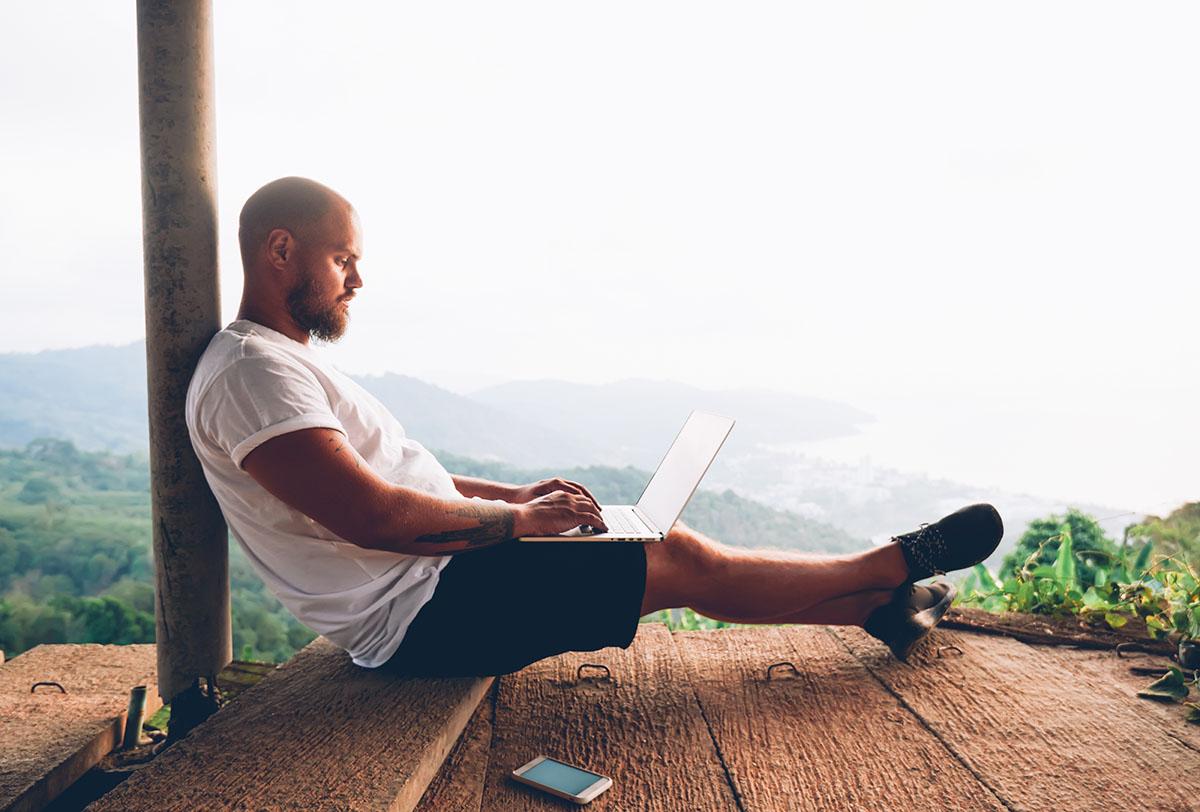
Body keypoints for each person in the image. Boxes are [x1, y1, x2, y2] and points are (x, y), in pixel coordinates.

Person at [185, 177, 1003, 677]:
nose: (358, 279)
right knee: (674, 557)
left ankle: (875, 607)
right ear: (281, 250)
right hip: (421, 614)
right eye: (343, 259)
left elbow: (393, 480)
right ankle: (889, 565)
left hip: (441, 579)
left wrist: (511, 497)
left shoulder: (278, 364)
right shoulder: (254, 373)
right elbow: (372, 516)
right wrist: (515, 523)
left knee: (650, 543)